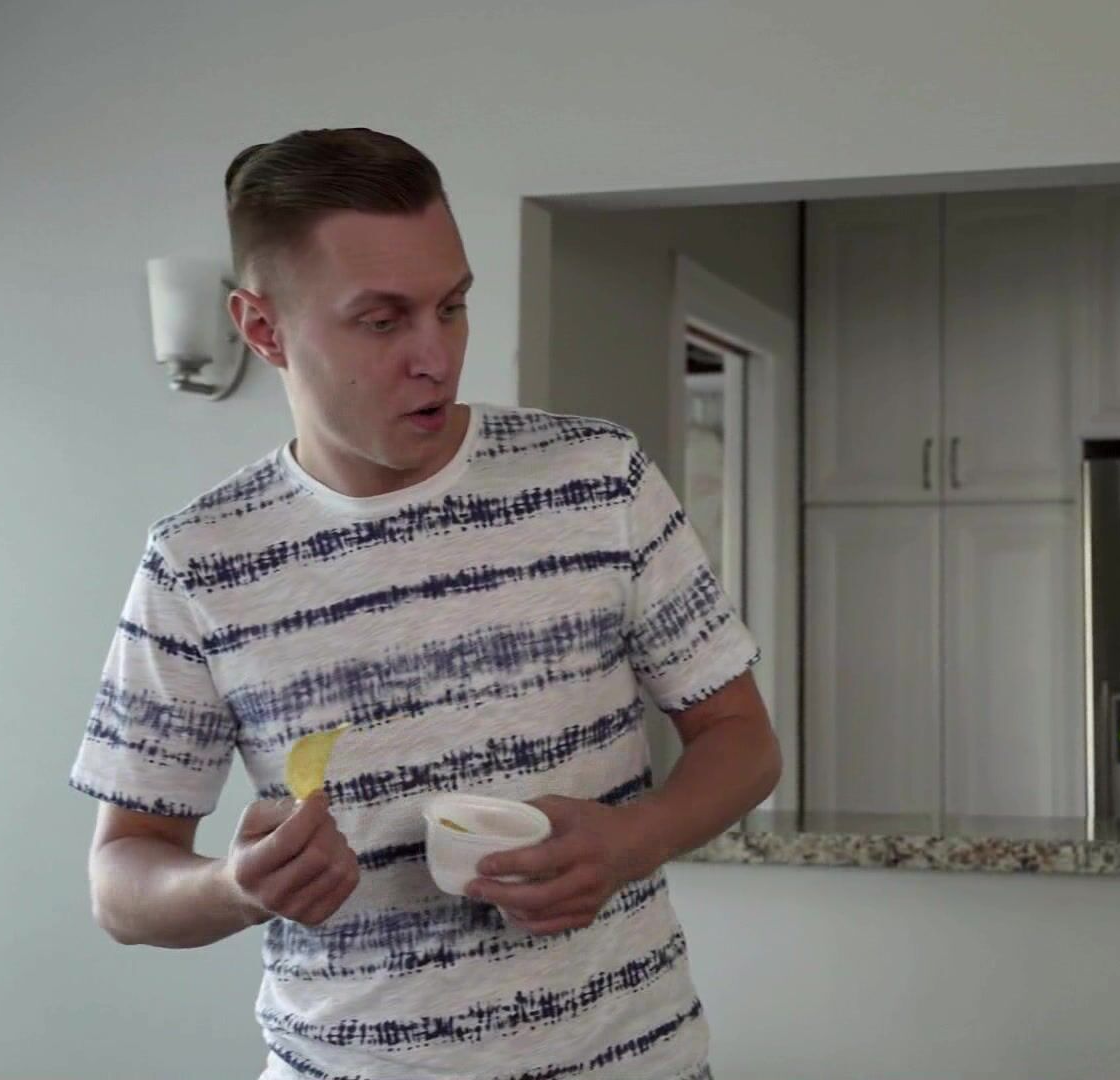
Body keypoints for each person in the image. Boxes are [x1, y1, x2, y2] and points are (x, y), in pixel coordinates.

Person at [69, 127, 780, 1080]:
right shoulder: (197, 562)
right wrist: (236, 887)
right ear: (263, 329)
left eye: (452, 307)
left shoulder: (599, 478)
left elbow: (742, 739)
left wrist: (630, 840)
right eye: (382, 320)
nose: (435, 356)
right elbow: (121, 881)